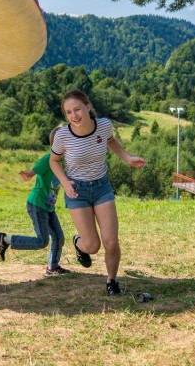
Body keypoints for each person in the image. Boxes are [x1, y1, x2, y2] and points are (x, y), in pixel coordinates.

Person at [50, 90, 146, 296]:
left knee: (111, 241)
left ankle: (111, 281)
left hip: (102, 187)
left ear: (88, 106)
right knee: (92, 246)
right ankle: (79, 243)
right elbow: (53, 161)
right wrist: (65, 182)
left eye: (77, 109)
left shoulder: (103, 125)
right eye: (69, 112)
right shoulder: (62, 136)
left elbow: (110, 141)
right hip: (77, 191)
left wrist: (127, 158)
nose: (74, 115)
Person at [0, 128, 70, 276]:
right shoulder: (49, 158)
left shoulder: (64, 162)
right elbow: (33, 171)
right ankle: (5, 240)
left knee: (59, 237)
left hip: (48, 207)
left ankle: (52, 267)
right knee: (42, 241)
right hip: (37, 205)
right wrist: (28, 175)